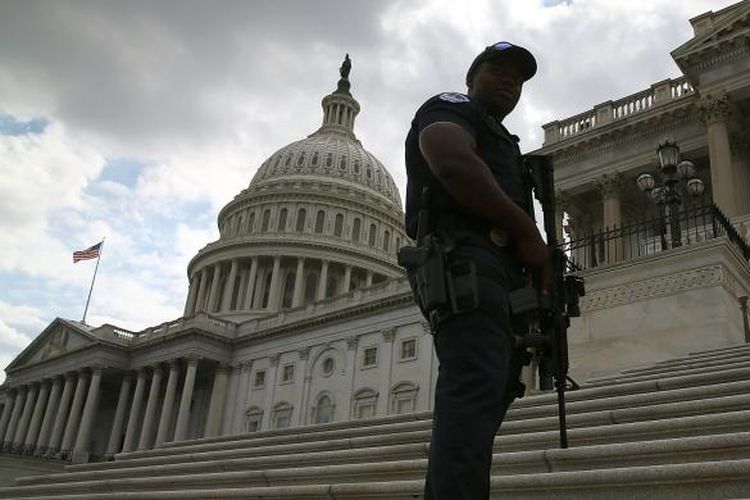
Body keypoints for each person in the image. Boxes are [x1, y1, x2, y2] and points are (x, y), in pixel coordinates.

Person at [403, 42, 548, 499]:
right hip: (466, 261)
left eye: (519, 78)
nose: (510, 81)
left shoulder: (504, 140)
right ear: (471, 77)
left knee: (489, 397)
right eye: (497, 70)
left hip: (503, 276)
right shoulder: (450, 107)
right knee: (472, 396)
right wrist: (528, 233)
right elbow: (452, 163)